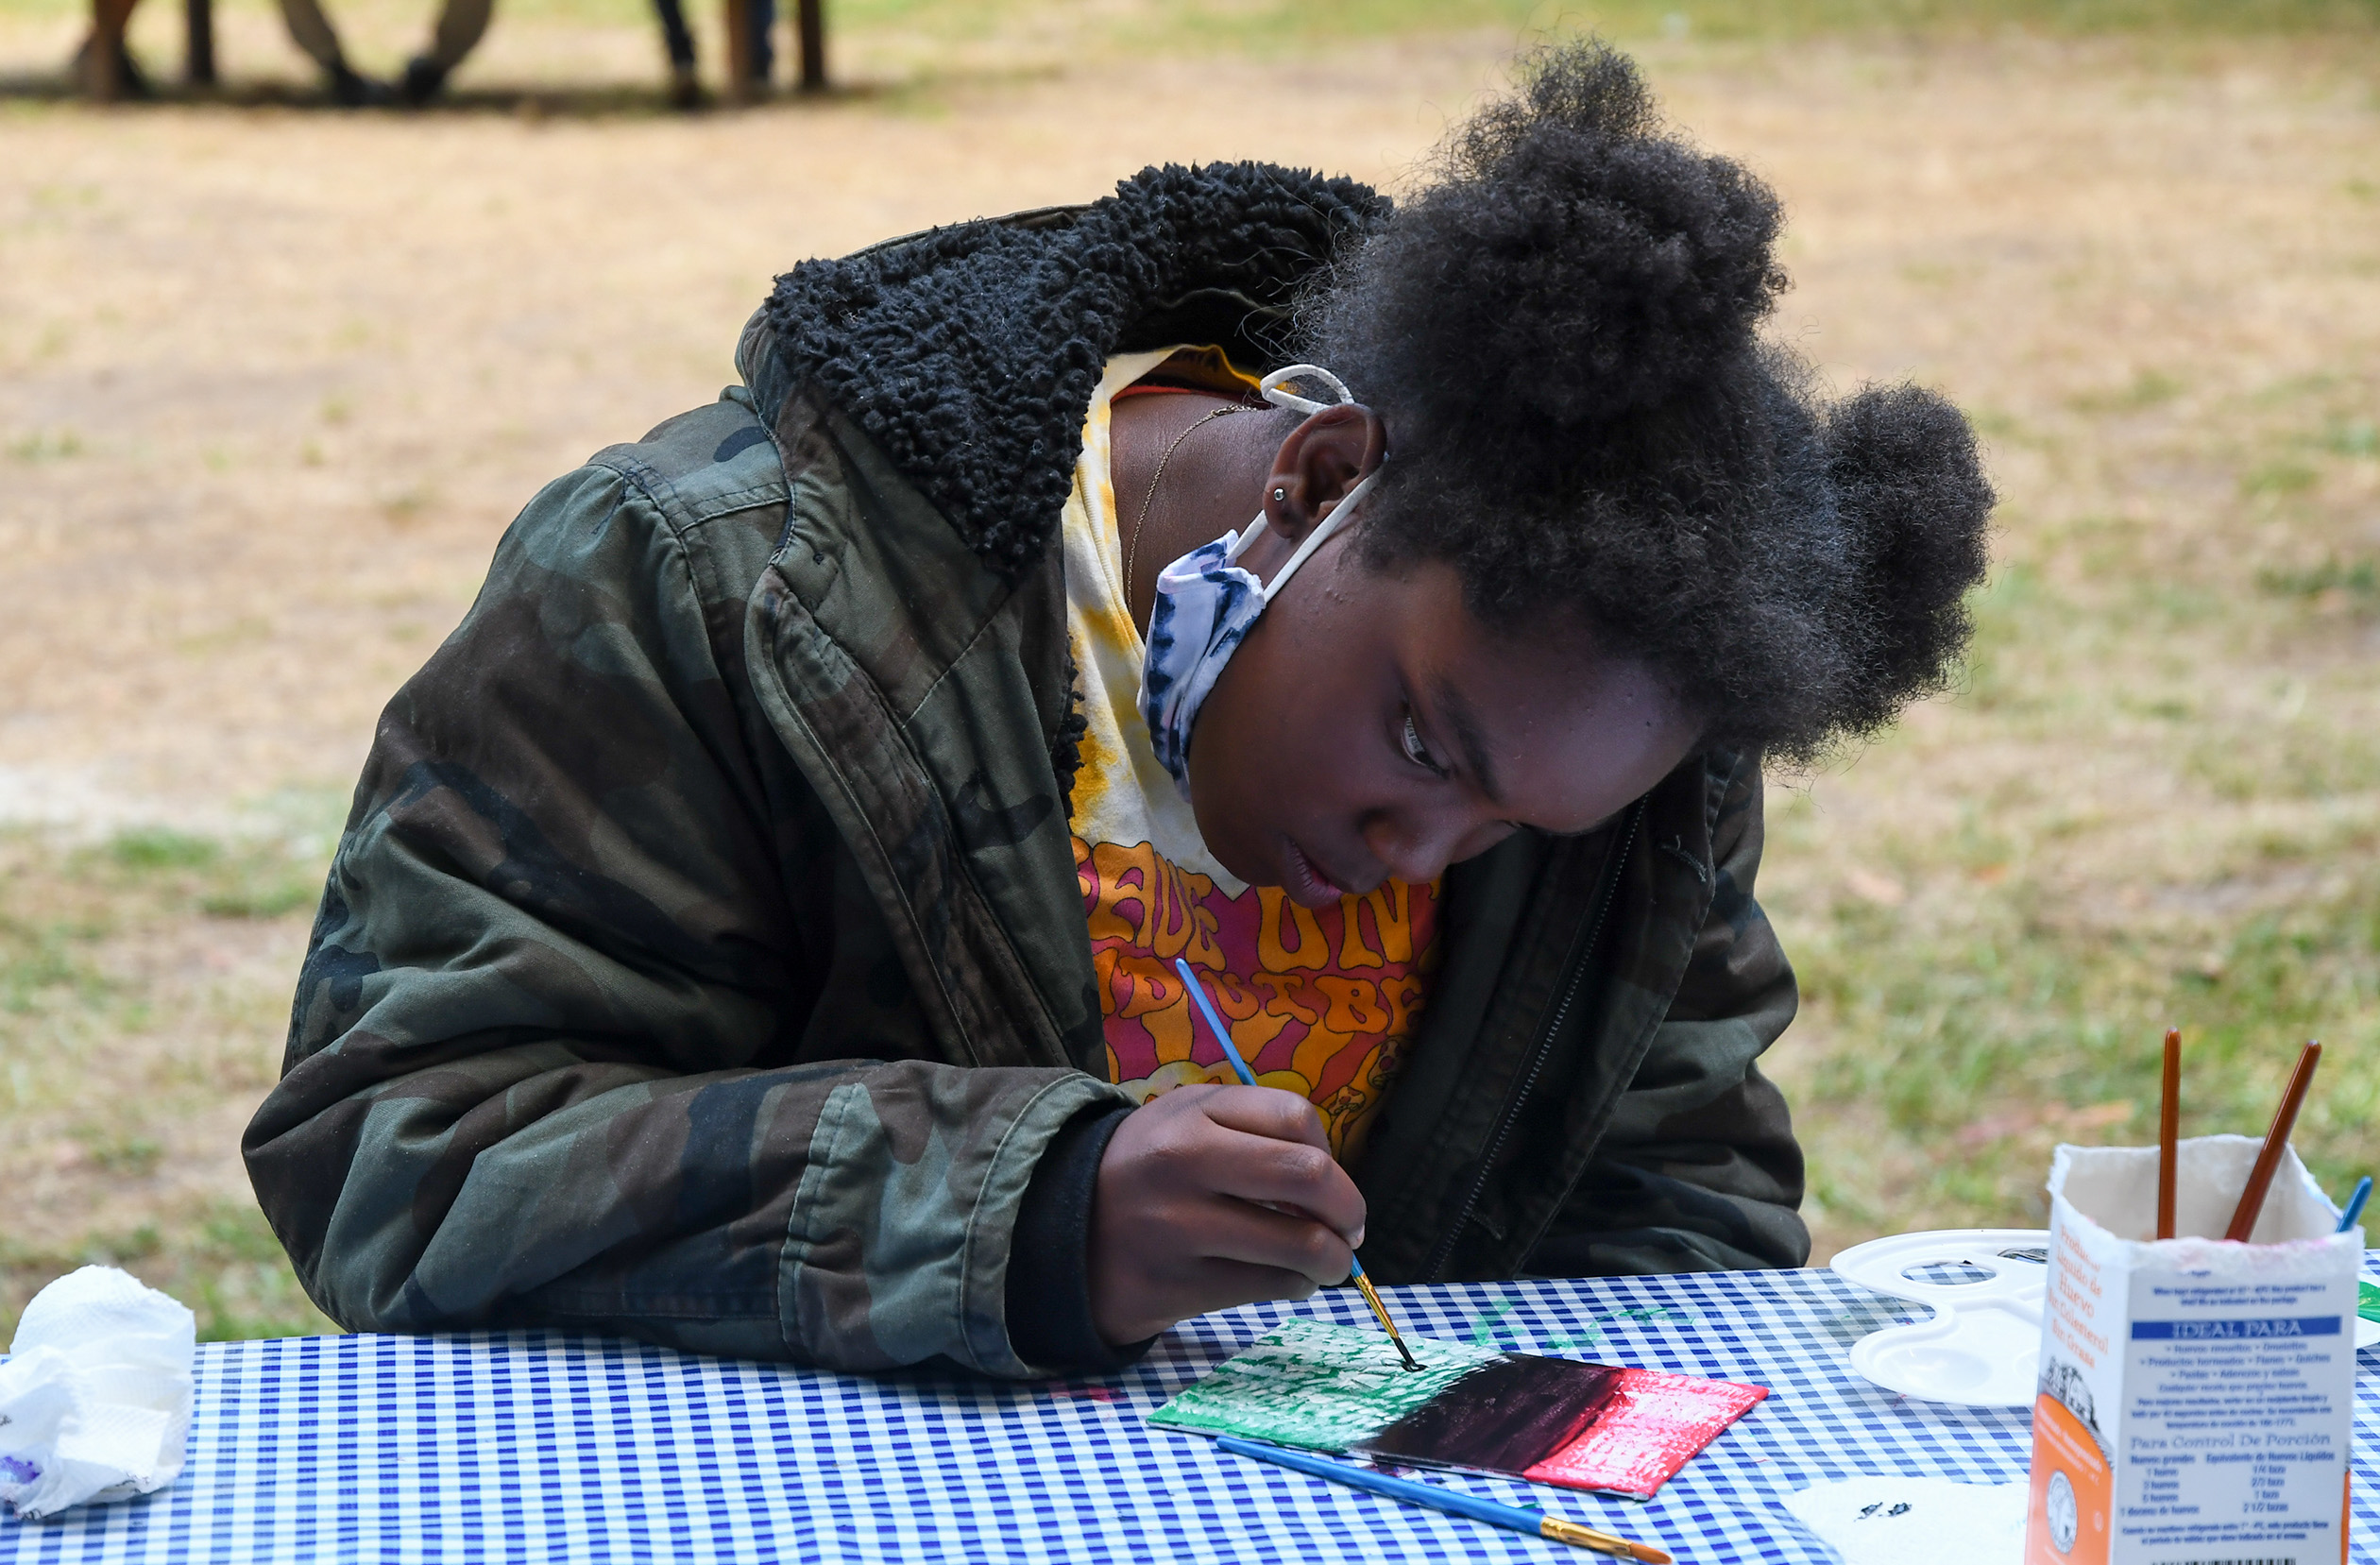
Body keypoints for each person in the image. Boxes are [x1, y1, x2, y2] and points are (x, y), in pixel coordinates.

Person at [245, 41, 1991, 1375]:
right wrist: (1021, 1214)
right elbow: (400, 1143)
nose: (1419, 852)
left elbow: (1677, 1221)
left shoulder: (1620, 744)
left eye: (1517, 829)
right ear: (1314, 478)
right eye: (1419, 744)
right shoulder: (715, 590)